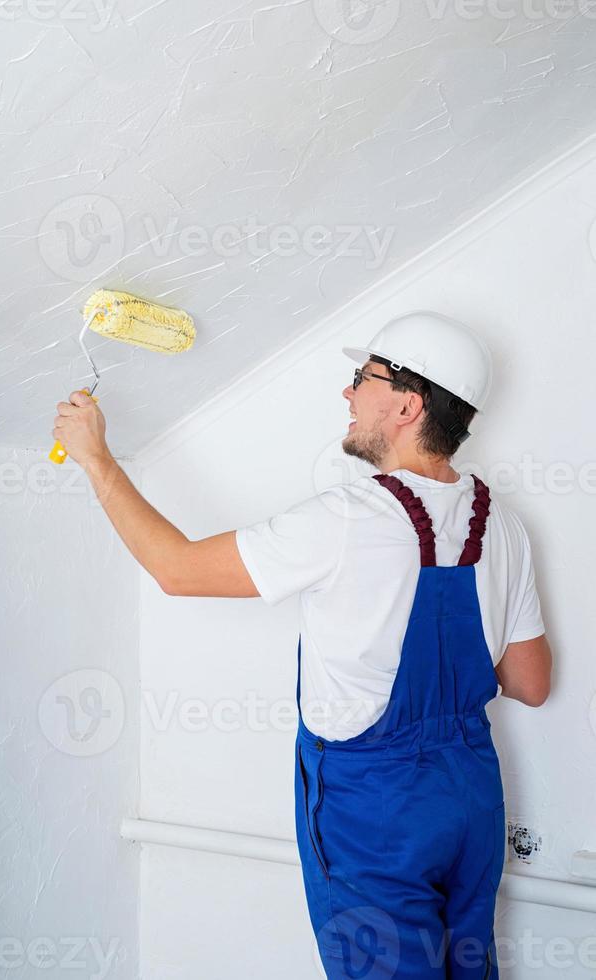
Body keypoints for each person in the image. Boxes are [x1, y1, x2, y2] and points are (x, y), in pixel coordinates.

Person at [53, 309, 552, 979]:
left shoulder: (346, 518)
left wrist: (95, 460)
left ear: (407, 403)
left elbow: (177, 570)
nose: (347, 393)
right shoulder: (505, 525)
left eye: (362, 378)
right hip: (471, 802)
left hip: (376, 814)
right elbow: (529, 683)